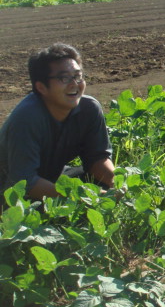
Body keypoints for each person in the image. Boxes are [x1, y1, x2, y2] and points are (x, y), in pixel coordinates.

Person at [0, 43, 114, 200]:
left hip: (51, 176)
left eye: (77, 76)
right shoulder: (27, 118)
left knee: (100, 182)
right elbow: (25, 183)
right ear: (41, 88)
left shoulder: (89, 109)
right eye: (64, 78)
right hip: (10, 191)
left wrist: (118, 185)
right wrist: (90, 198)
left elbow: (97, 158)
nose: (75, 84)